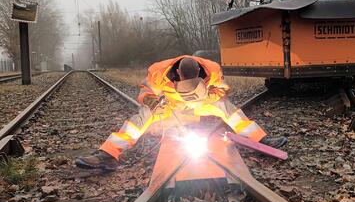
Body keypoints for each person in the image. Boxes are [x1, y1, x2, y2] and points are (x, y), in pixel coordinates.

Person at [76, 55, 288, 170]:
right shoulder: (158, 71)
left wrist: (211, 97)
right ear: (177, 73)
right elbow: (144, 92)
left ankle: (262, 139)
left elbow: (222, 90)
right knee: (141, 117)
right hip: (169, 105)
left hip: (202, 102)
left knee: (226, 107)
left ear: (200, 74)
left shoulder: (212, 69)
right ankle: (109, 154)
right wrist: (152, 101)